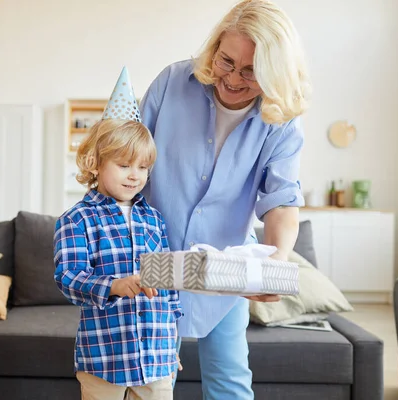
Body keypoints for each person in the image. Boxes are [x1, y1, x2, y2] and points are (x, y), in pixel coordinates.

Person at [139, 0, 311, 398]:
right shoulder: (172, 83)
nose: (233, 78)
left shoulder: (281, 118)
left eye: (251, 71)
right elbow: (127, 159)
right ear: (215, 48)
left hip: (226, 265)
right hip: (152, 263)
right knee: (142, 382)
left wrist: (277, 261)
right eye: (226, 60)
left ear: (275, 73)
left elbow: (282, 197)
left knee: (229, 383)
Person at [54, 67, 182, 400]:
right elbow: (68, 277)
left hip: (156, 360)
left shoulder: (154, 219)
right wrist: (113, 285)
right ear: (95, 163)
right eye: (124, 165)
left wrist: (172, 345)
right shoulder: (77, 219)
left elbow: (167, 286)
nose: (135, 175)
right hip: (104, 361)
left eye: (143, 167)